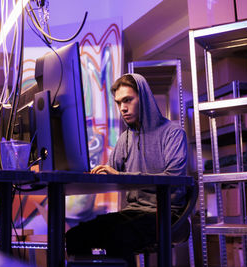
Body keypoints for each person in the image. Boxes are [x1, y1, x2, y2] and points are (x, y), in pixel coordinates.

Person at [65, 73, 188, 265]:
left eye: (128, 100)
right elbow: (111, 174)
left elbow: (173, 179)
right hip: (133, 211)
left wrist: (120, 174)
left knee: (118, 236)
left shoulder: (173, 133)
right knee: (75, 236)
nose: (122, 108)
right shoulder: (126, 138)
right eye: (119, 102)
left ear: (144, 99)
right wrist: (84, 171)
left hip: (167, 213)